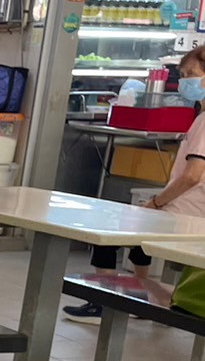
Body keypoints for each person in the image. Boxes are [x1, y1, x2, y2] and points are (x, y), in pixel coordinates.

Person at [66, 47, 205, 322]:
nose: (184, 81)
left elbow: (192, 176)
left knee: (108, 229)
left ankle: (106, 303)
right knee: (137, 234)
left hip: (185, 214)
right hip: (190, 211)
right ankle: (140, 298)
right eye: (182, 75)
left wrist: (156, 203)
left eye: (191, 74)